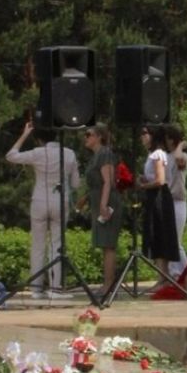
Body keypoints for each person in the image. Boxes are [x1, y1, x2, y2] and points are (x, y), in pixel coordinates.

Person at [6, 120, 80, 296]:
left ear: (39, 139)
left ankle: (36, 289)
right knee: (57, 245)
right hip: (60, 201)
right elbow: (76, 184)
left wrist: (25, 134)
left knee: (38, 246)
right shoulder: (69, 153)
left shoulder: (37, 153)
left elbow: (11, 155)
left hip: (39, 200)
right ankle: (55, 288)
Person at [77, 124, 123, 292]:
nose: (86, 138)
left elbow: (107, 182)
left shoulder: (105, 154)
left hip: (108, 202)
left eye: (89, 135)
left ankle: (109, 284)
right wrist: (87, 198)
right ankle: (107, 282)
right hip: (98, 200)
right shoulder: (95, 156)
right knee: (104, 244)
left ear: (99, 137)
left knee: (108, 244)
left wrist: (104, 204)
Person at [137, 124, 180, 276]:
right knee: (156, 234)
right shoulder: (153, 155)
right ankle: (162, 275)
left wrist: (144, 185)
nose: (142, 137)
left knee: (160, 234)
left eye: (145, 134)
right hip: (155, 196)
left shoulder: (157, 154)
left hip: (159, 196)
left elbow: (160, 180)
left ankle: (164, 275)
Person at [164, 124, 187, 278]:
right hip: (168, 200)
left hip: (178, 200)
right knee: (170, 240)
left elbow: (179, 159)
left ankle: (184, 270)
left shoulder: (183, 156)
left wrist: (181, 144)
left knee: (176, 240)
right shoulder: (166, 157)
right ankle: (174, 271)